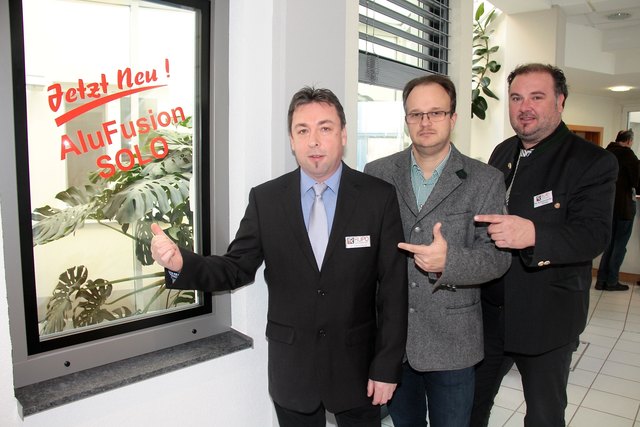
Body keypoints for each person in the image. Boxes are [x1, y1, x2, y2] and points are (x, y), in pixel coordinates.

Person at [150, 87, 408, 427]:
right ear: (292, 139)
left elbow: (393, 290)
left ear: (343, 134)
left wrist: (387, 365)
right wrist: (182, 264)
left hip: (358, 367)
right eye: (303, 130)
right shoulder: (267, 200)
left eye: (325, 128)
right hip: (293, 370)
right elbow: (235, 268)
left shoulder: (378, 198)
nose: (314, 141)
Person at [471, 63, 618, 426]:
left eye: (537, 97)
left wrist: (534, 235)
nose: (525, 107)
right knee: (472, 408)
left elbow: (594, 235)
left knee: (543, 416)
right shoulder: (502, 152)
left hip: (547, 318)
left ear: (560, 101)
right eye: (517, 98)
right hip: (491, 314)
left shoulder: (593, 161)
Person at [364, 74, 511, 427]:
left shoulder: (484, 179)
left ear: (453, 118)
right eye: (416, 114)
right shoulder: (377, 173)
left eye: (436, 113)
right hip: (393, 340)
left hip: (454, 341)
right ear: (406, 121)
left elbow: (498, 256)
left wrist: (451, 261)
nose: (425, 122)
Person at [595, 129, 638, 291]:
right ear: (628, 141)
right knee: (619, 245)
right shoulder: (629, 156)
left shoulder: (605, 153)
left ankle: (601, 280)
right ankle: (612, 281)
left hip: (606, 207)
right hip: (624, 207)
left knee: (609, 244)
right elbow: (637, 180)